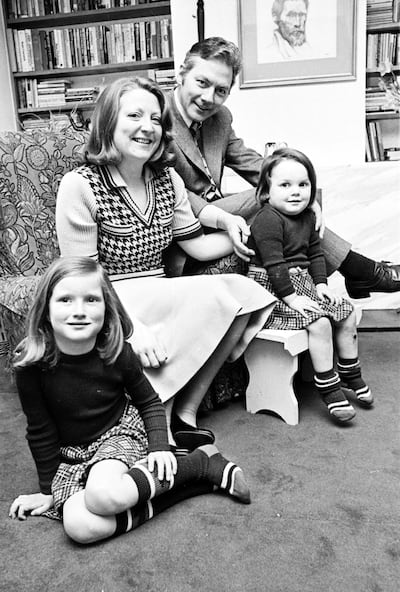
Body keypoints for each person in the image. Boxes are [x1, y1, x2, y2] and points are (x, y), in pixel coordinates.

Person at [55, 76, 276, 449]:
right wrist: (129, 328)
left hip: (158, 285)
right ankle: (158, 424)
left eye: (156, 119)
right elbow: (82, 279)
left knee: (242, 292)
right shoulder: (80, 185)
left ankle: (185, 412)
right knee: (210, 297)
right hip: (110, 295)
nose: (148, 127)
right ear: (108, 121)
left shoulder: (167, 179)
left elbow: (198, 248)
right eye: (135, 115)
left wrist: (254, 236)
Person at [8, 257, 251, 544]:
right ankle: (194, 479)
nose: (79, 311)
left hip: (119, 433)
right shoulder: (30, 366)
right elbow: (40, 430)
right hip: (72, 453)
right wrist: (47, 490)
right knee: (80, 527)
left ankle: (198, 464)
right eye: (65, 300)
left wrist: (159, 447)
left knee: (102, 497)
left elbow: (149, 402)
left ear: (107, 309)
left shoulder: (117, 352)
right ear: (46, 310)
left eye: (91, 300)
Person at [166, 36, 400, 298]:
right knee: (276, 196)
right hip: (184, 222)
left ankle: (353, 274)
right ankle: (362, 271)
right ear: (182, 74)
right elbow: (172, 192)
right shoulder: (156, 117)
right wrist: (290, 190)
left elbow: (250, 162)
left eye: (221, 90)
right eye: (202, 83)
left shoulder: (220, 118)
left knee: (292, 188)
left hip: (220, 219)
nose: (209, 98)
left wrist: (302, 191)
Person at [247, 148, 373, 424]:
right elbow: (274, 265)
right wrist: (292, 300)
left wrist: (321, 285)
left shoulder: (308, 218)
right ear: (266, 191)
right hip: (270, 290)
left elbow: (315, 255)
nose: (296, 192)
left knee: (346, 311)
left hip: (300, 283)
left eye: (303, 185)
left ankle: (349, 371)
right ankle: (328, 386)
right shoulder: (267, 219)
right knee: (319, 323)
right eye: (285, 185)